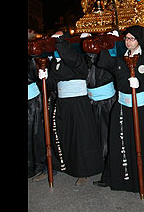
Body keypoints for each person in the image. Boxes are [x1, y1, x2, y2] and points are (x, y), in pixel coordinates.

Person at [95, 26, 144, 193]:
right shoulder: (120, 59)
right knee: (120, 142)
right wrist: (105, 44)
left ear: (139, 40)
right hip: (123, 107)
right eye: (126, 38)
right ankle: (114, 177)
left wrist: (141, 85)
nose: (128, 42)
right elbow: (102, 62)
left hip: (143, 108)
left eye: (131, 39)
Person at [42, 31, 104, 185]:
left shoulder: (78, 59)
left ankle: (85, 171)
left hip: (78, 103)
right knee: (63, 135)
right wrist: (43, 75)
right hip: (62, 103)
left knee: (82, 138)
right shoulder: (56, 62)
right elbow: (51, 85)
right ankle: (60, 165)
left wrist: (60, 41)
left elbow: (72, 61)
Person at [79, 33, 117, 187]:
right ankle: (101, 166)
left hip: (106, 102)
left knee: (107, 135)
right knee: (96, 135)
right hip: (92, 100)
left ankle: (109, 170)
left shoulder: (106, 54)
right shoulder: (85, 58)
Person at [28, 56, 46, 179]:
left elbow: (36, 76)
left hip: (32, 100)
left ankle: (38, 165)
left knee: (36, 134)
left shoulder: (30, 58)